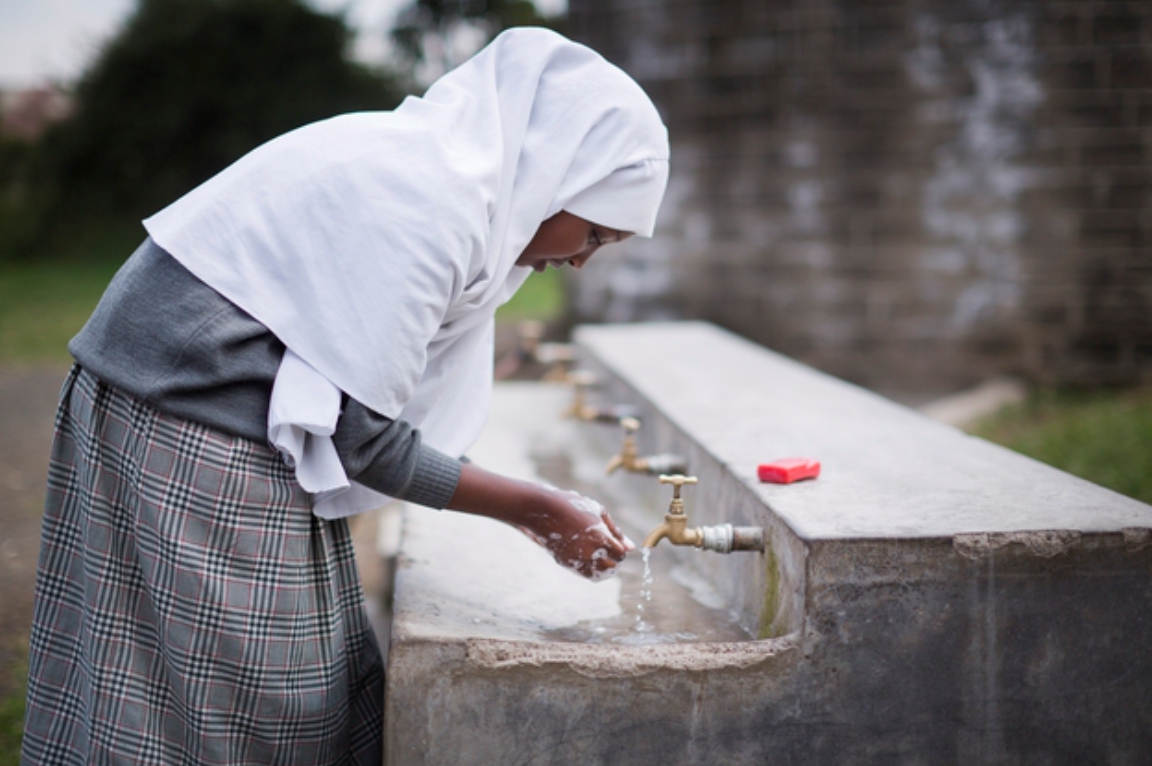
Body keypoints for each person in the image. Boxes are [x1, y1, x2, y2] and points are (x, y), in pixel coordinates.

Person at [20, 27, 669, 766]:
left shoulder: (451, 183)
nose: (580, 261)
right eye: (592, 233)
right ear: (553, 176)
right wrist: (539, 509)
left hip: (221, 402)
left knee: (297, 674)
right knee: (249, 693)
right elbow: (366, 441)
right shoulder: (428, 201)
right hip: (181, 407)